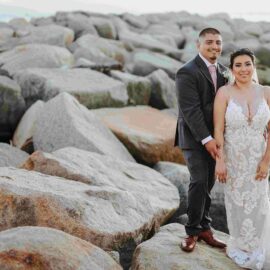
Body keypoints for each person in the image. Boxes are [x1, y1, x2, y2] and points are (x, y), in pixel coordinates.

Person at [214, 48, 270, 269]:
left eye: (247, 64)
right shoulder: (224, 93)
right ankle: (242, 247)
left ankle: (260, 249)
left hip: (258, 160)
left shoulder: (266, 92)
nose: (243, 69)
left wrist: (266, 161)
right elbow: (218, 130)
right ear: (232, 69)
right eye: (238, 65)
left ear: (253, 66)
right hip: (234, 161)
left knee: (260, 205)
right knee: (237, 205)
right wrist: (220, 160)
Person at [174, 27, 227, 252]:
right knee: (198, 180)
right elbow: (190, 110)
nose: (214, 46)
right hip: (194, 138)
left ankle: (205, 228)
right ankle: (192, 231)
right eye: (209, 42)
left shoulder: (225, 72)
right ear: (199, 45)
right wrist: (206, 139)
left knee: (209, 183)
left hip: (216, 137)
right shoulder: (186, 71)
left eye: (218, 42)